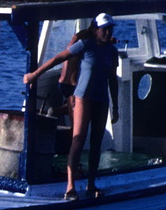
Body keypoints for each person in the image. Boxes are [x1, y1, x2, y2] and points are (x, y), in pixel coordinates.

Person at [24, 12, 121, 200]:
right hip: (83, 97)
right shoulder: (85, 45)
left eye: (110, 29)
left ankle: (91, 185)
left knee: (96, 144)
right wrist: (34, 75)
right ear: (95, 30)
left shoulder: (111, 52)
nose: (108, 33)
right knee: (78, 140)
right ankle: (70, 187)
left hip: (102, 100)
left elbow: (112, 80)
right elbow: (58, 59)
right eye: (104, 30)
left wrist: (115, 106)